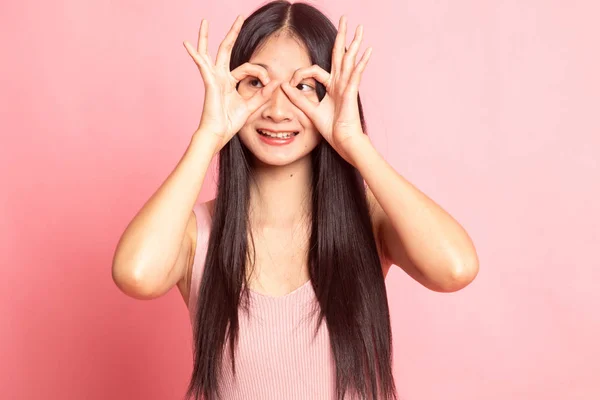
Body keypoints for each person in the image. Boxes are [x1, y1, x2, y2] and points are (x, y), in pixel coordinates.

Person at [111, 1, 479, 399]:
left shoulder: (370, 220)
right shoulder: (193, 231)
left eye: (302, 86)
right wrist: (208, 137)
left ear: (331, 93)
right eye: (257, 82)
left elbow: (455, 269)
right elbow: (136, 275)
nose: (278, 109)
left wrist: (355, 144)